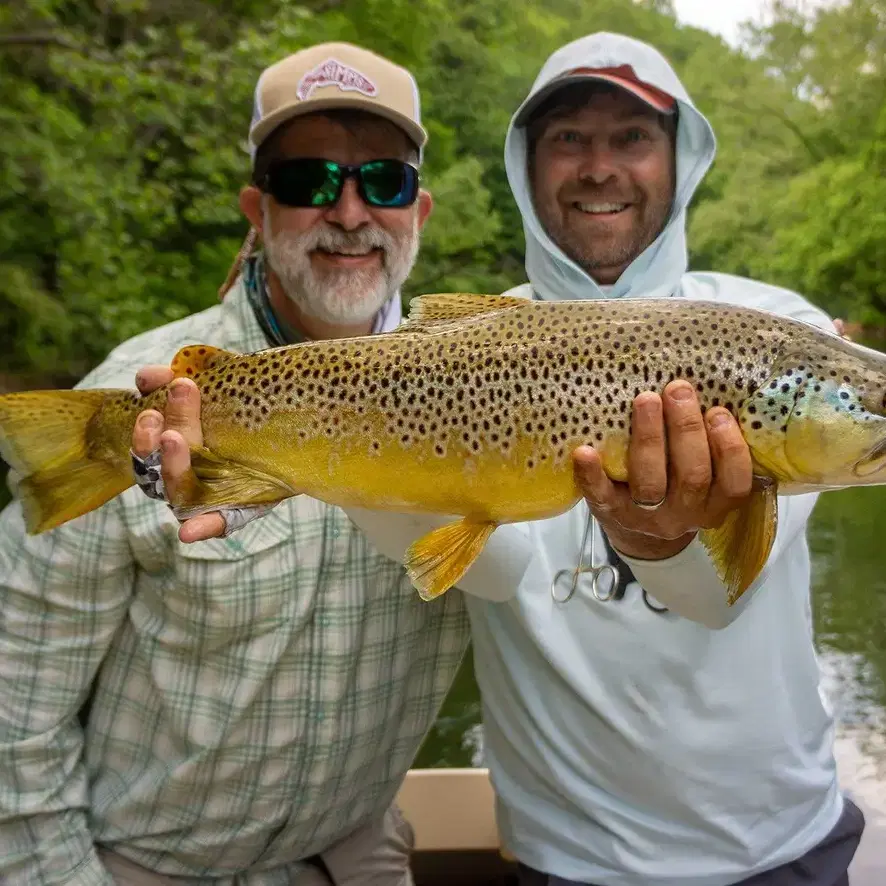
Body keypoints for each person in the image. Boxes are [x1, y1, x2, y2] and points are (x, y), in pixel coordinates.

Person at [135, 33, 867, 886]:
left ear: (682, 161)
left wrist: (665, 541)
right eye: (568, 139)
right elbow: (497, 568)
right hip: (563, 864)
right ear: (526, 165)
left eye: (632, 137)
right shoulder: (457, 346)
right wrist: (288, 464)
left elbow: (717, 599)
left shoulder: (775, 334)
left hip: (779, 851)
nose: (600, 166)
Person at [0, 42, 533, 886]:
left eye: (383, 181)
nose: (350, 211)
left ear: (420, 211)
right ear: (258, 208)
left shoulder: (496, 392)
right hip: (147, 866)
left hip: (358, 854)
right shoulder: (140, 399)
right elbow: (13, 704)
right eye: (308, 181)